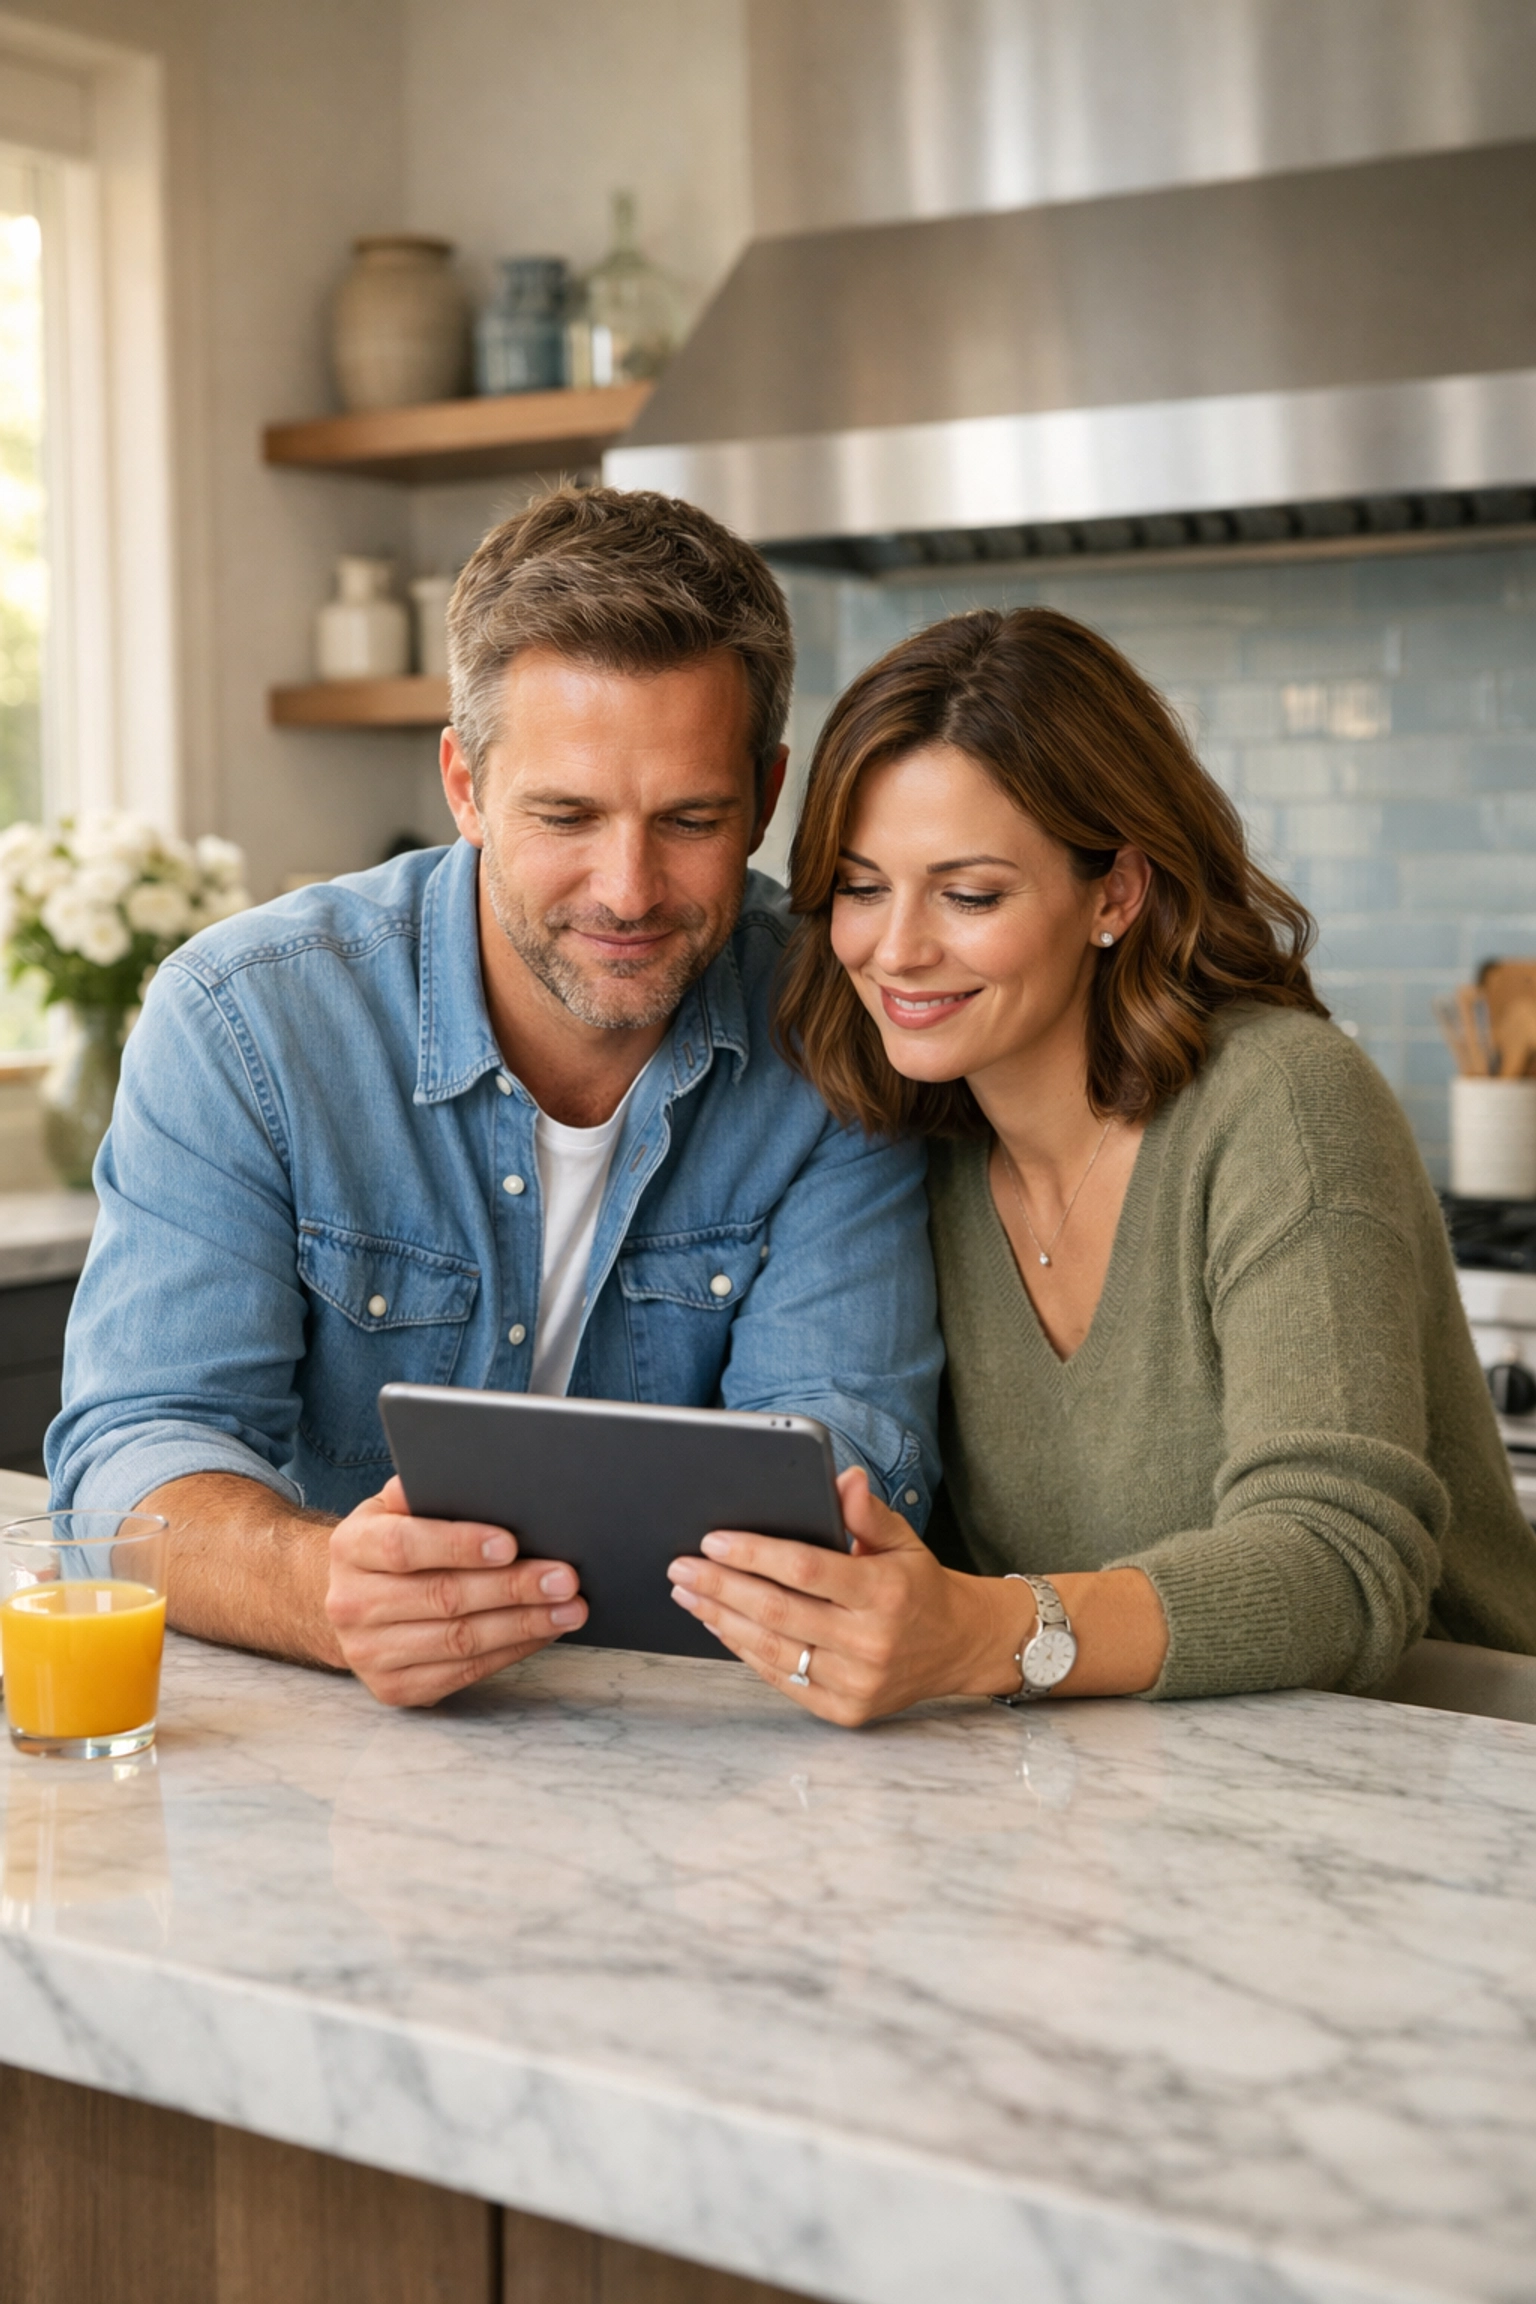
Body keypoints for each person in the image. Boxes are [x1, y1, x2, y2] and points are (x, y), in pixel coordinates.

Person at [48, 489, 941, 1708]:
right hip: (335, 1743)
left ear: (768, 795)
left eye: (690, 820)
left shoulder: (833, 1027)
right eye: (565, 815)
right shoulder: (244, 1021)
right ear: (465, 784)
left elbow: (847, 1449)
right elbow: (134, 1449)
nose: (627, 890)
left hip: (708, 1739)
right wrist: (326, 1590)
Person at [666, 605, 1536, 1721]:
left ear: (1115, 893)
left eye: (971, 893)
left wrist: (990, 1631)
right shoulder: (905, 1154)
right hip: (1141, 1786)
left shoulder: (1282, 1105)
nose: (897, 948)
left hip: (1445, 1764)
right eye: (862, 886)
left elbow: (1338, 1557)